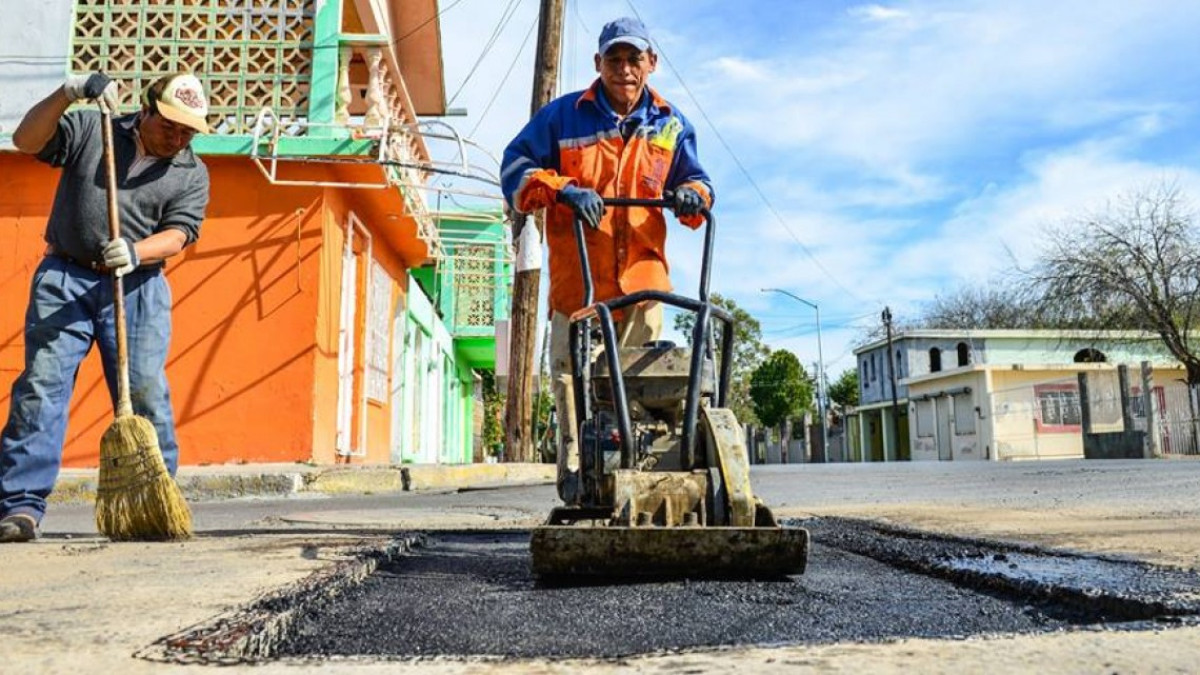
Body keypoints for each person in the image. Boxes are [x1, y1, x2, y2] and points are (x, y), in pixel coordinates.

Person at [501, 17, 713, 504]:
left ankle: (642, 487)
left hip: (643, 287)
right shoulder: (561, 118)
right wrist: (563, 189)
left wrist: (690, 195)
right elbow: (516, 170)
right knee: (574, 388)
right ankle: (579, 485)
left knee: (641, 389)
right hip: (581, 290)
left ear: (651, 64)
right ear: (598, 64)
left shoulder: (671, 124)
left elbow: (701, 182)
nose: (624, 69)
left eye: (634, 59)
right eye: (614, 60)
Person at [0, 71, 211, 542]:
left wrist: (137, 252)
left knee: (145, 391)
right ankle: (20, 506)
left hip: (138, 286)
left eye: (187, 131)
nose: (177, 138)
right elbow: (25, 140)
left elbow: (180, 233)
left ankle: (155, 500)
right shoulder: (95, 131)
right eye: (170, 125)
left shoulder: (191, 172)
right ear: (146, 110)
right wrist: (69, 93)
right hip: (65, 277)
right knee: (41, 387)